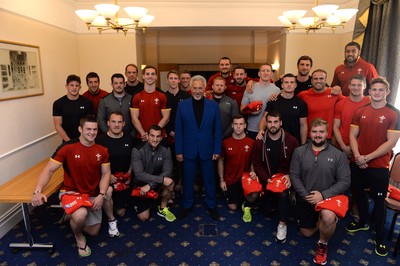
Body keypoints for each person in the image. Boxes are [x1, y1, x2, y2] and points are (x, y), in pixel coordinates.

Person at [31, 115, 112, 257]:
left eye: (94, 129)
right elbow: (49, 169)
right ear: (80, 129)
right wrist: (37, 191)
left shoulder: (102, 150)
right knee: (81, 215)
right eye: (88, 129)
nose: (92, 132)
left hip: (92, 193)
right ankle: (79, 237)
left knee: (94, 231)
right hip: (71, 191)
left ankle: (70, 215)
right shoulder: (67, 147)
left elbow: (106, 174)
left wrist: (101, 194)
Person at [346, 77, 400, 257]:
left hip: (379, 166)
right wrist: (358, 157)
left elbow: (391, 143)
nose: (376, 93)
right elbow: (353, 136)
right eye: (374, 90)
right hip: (358, 162)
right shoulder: (360, 110)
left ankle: (380, 237)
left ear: (387, 92)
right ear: (369, 91)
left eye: (380, 90)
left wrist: (367, 158)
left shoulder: (394, 113)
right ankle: (362, 222)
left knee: (379, 201)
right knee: (358, 193)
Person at [290, 118, 350, 265]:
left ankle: (323, 245)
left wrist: (323, 195)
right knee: (306, 233)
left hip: (328, 199)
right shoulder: (299, 151)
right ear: (309, 133)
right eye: (314, 131)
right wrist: (306, 195)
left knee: (328, 217)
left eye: (321, 132)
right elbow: (294, 175)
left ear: (327, 133)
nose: (317, 135)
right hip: (307, 198)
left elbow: (345, 181)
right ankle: (320, 222)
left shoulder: (338, 155)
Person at [175, 75, 222, 220]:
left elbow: (217, 130)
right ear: (190, 88)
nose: (197, 91)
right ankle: (187, 205)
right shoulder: (182, 105)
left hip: (207, 149)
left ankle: (212, 205)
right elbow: (179, 129)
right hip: (188, 149)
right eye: (194, 88)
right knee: (188, 179)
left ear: (204, 89)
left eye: (200, 88)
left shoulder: (213, 105)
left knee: (209, 179)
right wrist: (179, 151)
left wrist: (217, 149)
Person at [253, 111, 299, 243]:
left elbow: (297, 163)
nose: (272, 125)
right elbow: (256, 164)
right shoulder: (260, 142)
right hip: (267, 179)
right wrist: (266, 178)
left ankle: (282, 224)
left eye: (275, 122)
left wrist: (290, 175)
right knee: (267, 212)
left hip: (284, 178)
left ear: (281, 123)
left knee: (283, 196)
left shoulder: (292, 141)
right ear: (266, 123)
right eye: (270, 122)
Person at [131, 125, 176, 222]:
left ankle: (162, 208)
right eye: (152, 136)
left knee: (171, 183)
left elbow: (167, 171)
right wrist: (160, 180)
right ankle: (150, 201)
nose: (155, 139)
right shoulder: (137, 150)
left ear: (161, 137)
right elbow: (139, 174)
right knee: (144, 217)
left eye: (158, 136)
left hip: (155, 183)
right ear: (147, 136)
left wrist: (150, 185)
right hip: (140, 185)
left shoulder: (166, 149)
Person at [218, 115, 256, 222]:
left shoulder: (251, 142)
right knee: (232, 207)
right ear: (232, 126)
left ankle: (246, 204)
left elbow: (253, 161)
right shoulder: (225, 142)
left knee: (254, 195)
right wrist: (222, 180)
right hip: (231, 179)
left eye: (241, 124)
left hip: (245, 178)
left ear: (245, 126)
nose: (238, 127)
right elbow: (220, 160)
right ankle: (240, 198)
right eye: (236, 124)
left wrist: (253, 171)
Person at [96, 111, 133, 218]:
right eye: (113, 122)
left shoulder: (129, 139)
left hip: (124, 180)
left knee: (121, 213)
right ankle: (110, 218)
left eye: (119, 122)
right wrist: (108, 175)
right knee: (108, 192)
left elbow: (133, 158)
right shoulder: (99, 140)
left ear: (124, 124)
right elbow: (95, 162)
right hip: (106, 179)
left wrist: (130, 172)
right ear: (108, 123)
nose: (116, 125)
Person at [257, 73, 308, 144]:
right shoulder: (273, 101)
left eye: (292, 82)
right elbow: (265, 118)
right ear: (282, 85)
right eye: (286, 82)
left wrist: (303, 144)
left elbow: (303, 125)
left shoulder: (301, 103)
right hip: (275, 140)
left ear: (295, 85)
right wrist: (261, 130)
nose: (289, 84)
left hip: (294, 141)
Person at [297, 69, 344, 140]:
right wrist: (275, 96)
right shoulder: (303, 95)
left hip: (328, 138)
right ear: (311, 81)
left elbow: (349, 102)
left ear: (325, 80)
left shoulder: (334, 94)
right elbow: (289, 101)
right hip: (310, 137)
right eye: (315, 79)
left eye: (321, 78)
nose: (318, 81)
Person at [165, 70, 191, 191]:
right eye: (171, 78)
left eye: (176, 78)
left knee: (183, 161)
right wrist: (170, 131)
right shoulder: (163, 96)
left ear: (179, 80)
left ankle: (182, 182)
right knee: (170, 162)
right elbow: (163, 117)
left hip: (185, 135)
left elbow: (190, 117)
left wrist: (181, 134)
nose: (173, 80)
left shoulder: (186, 96)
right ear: (167, 80)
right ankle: (171, 185)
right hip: (168, 135)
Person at [131, 66, 171, 144]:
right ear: (143, 76)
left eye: (153, 74)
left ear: (156, 77)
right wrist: (143, 133)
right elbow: (134, 118)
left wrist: (154, 134)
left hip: (159, 137)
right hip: (142, 137)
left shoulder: (163, 96)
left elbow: (166, 118)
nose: (150, 76)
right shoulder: (136, 96)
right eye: (147, 74)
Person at [333, 75, 370, 159]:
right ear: (349, 86)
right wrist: (343, 147)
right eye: (353, 85)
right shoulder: (340, 104)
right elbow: (336, 127)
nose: (356, 88)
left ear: (364, 86)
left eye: (359, 85)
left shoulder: (370, 103)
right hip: (342, 147)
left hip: (363, 148)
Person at [241, 63, 280, 139]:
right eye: (263, 71)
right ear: (259, 73)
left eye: (268, 71)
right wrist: (251, 111)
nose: (265, 73)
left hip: (271, 129)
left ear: (272, 74)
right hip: (252, 128)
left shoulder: (277, 90)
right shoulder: (250, 88)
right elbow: (242, 109)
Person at [53, 74, 94, 142]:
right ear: (66, 86)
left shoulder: (87, 102)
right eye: (71, 85)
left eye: (77, 85)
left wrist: (85, 139)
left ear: (80, 87)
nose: (74, 88)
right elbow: (58, 126)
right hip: (67, 141)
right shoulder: (58, 103)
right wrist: (69, 142)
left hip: (85, 140)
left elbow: (91, 123)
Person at [97, 73, 134, 138]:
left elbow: (136, 118)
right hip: (110, 138)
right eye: (116, 83)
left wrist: (133, 134)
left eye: (121, 83)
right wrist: (108, 133)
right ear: (112, 84)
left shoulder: (132, 99)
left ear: (124, 84)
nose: (118, 85)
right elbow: (100, 119)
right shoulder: (104, 100)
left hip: (129, 137)